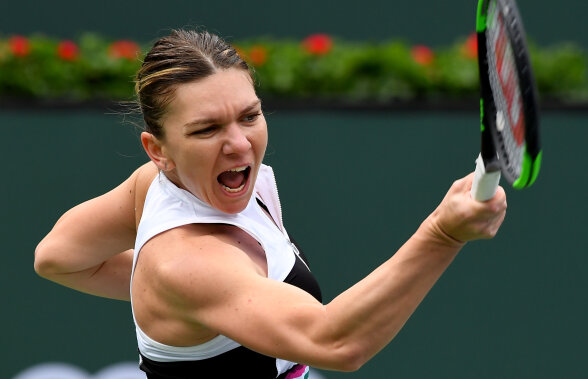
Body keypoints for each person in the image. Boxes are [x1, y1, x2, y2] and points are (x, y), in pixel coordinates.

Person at [34, 29, 507, 378]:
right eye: (207, 129)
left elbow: (57, 257)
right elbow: (336, 342)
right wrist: (442, 234)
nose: (239, 144)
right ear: (158, 150)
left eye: (249, 116)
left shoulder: (159, 187)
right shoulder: (189, 262)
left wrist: (177, 305)